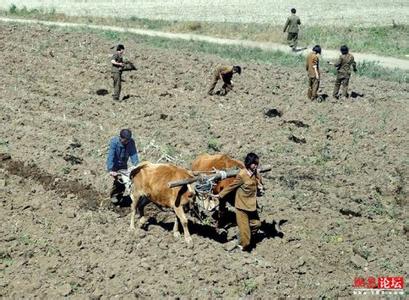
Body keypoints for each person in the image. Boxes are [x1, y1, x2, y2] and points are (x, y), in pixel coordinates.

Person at [215, 153, 263, 251]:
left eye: (257, 163)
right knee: (246, 240)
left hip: (251, 206)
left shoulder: (255, 174)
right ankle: (240, 248)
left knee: (257, 224)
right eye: (254, 163)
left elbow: (258, 185)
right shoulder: (242, 175)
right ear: (249, 163)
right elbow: (231, 186)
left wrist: (260, 188)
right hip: (242, 207)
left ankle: (241, 236)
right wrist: (219, 195)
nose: (256, 166)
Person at [106, 129, 139, 204]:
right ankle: (114, 196)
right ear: (121, 138)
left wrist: (136, 165)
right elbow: (111, 155)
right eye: (125, 140)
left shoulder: (131, 142)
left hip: (123, 164)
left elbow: (133, 154)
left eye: (128, 140)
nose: (127, 142)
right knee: (118, 181)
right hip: (115, 164)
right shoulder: (114, 142)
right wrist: (111, 169)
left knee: (125, 181)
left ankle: (121, 196)